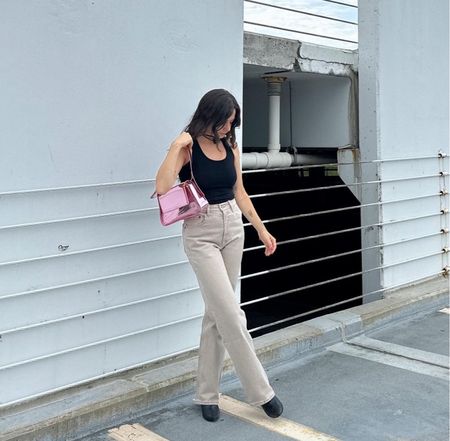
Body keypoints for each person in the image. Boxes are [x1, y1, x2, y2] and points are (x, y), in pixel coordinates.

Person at [155, 89, 283, 423]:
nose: (230, 128)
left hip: (233, 227)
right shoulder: (188, 147)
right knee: (230, 314)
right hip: (201, 232)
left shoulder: (229, 146)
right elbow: (162, 186)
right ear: (211, 115)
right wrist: (174, 147)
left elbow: (239, 190)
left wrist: (261, 228)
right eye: (227, 122)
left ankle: (207, 393)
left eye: (232, 124)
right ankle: (261, 392)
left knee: (216, 314)